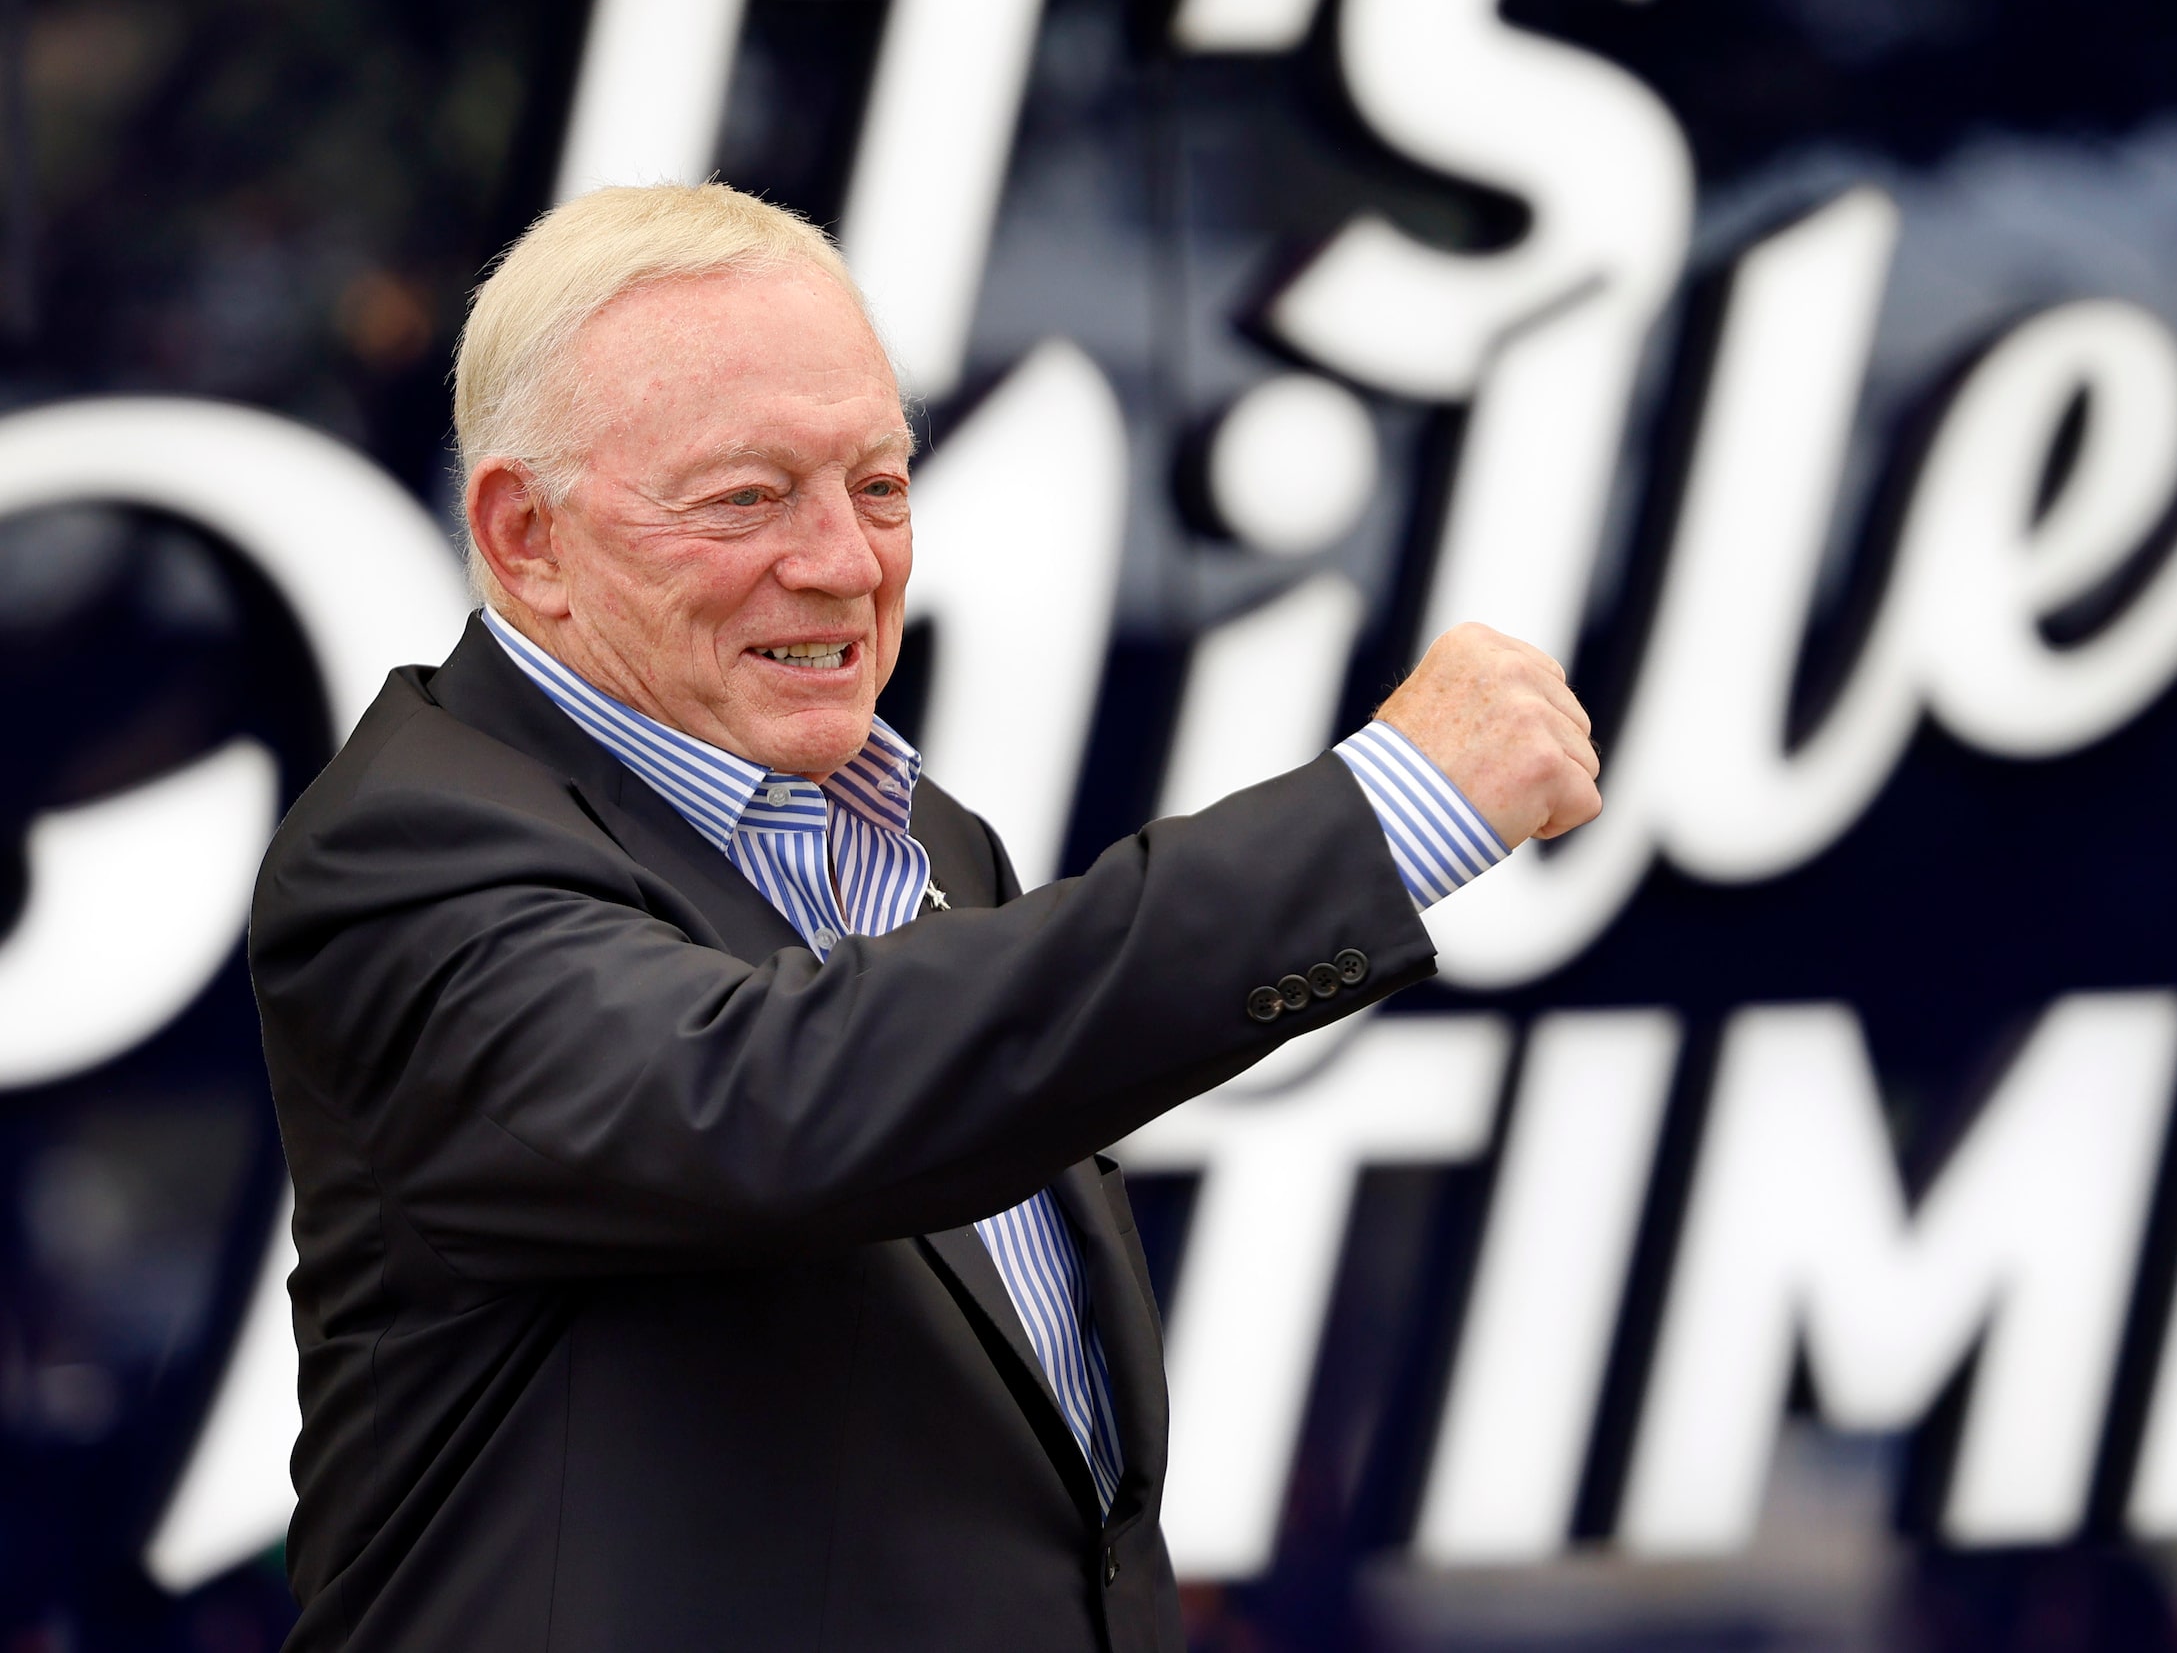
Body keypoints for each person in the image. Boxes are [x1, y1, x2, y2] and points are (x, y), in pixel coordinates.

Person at [248, 182, 1600, 1653]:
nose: (842, 559)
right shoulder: (406, 852)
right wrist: (1378, 818)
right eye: (747, 495)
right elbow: (767, 1099)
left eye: (879, 484)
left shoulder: (924, 837)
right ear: (526, 538)